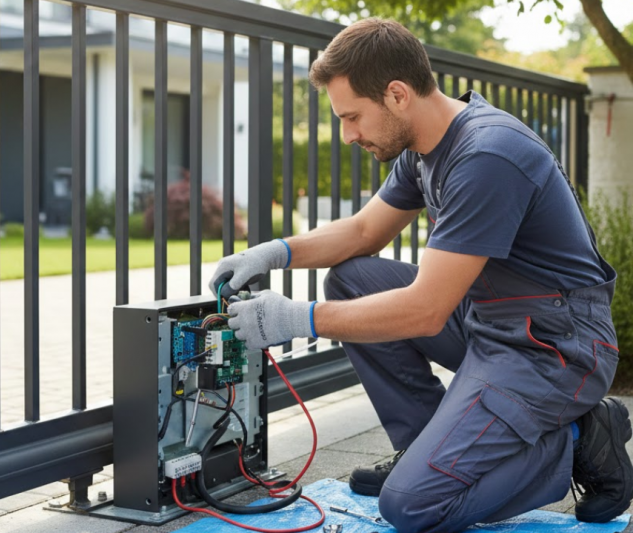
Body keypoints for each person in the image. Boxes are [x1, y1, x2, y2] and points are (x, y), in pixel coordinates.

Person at [209, 17, 633, 533]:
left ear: (397, 94)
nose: (348, 135)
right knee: (351, 279)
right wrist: (273, 253)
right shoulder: (423, 149)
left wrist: (298, 319)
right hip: (489, 319)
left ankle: (581, 438)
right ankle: (423, 447)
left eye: (352, 117)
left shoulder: (487, 154)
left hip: (554, 345)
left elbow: (426, 310)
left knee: (410, 507)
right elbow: (364, 231)